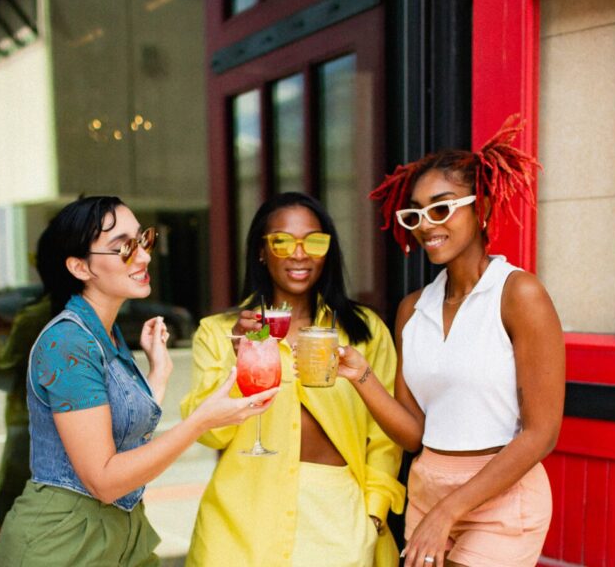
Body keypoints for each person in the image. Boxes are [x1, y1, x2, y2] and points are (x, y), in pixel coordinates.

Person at [0, 196, 277, 566]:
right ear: (80, 267)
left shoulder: (104, 334)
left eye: (142, 240)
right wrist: (201, 421)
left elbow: (122, 433)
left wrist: (157, 374)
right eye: (123, 248)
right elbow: (105, 480)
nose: (143, 256)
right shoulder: (68, 342)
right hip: (61, 542)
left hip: (119, 531)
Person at [336, 116, 565, 567]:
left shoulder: (518, 294)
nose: (426, 225)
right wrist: (360, 375)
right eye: (416, 213)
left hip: (499, 498)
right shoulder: (413, 309)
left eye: (441, 208)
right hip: (428, 490)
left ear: (480, 208)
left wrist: (449, 511)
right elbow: (415, 433)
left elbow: (542, 433)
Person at [180, 192, 405, 567]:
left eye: (314, 241)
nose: (300, 254)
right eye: (282, 241)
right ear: (261, 252)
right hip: (242, 522)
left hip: (339, 519)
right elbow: (209, 434)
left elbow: (384, 438)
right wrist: (243, 358)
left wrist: (373, 512)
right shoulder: (218, 332)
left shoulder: (364, 331)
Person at [0, 225, 59, 541]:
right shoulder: (90, 312)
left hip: (28, 431)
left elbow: (3, 370)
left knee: (14, 516)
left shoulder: (35, 317)